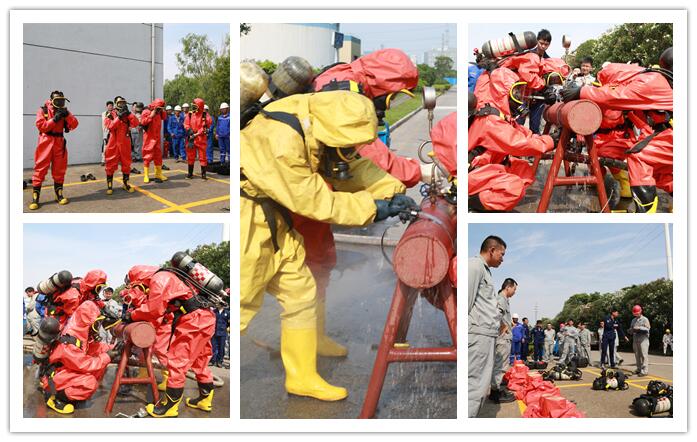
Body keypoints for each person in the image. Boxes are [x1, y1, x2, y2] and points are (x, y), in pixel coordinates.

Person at [241, 90, 416, 402]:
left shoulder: (320, 123)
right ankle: (201, 358)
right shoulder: (281, 141)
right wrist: (373, 207)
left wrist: (392, 191)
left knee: (300, 292)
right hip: (250, 224)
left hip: (274, 220)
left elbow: (349, 165)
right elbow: (313, 200)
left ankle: (301, 377)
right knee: (239, 303)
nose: (348, 151)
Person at [562, 47, 673, 213]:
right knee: (662, 173)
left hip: (653, 136)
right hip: (659, 135)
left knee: (640, 157)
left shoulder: (652, 81)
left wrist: (581, 91)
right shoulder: (663, 82)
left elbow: (613, 96)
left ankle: (645, 214)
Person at [123, 265, 216, 417]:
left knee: (177, 362)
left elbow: (153, 310)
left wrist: (131, 315)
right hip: (205, 317)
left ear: (139, 280)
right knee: (200, 361)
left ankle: (170, 408)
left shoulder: (159, 279)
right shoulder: (171, 275)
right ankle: (205, 400)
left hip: (194, 321)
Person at [468, 67, 555, 211]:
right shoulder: (490, 119)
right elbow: (518, 144)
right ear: (503, 93)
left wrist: (548, 138)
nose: (519, 97)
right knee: (513, 187)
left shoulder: (501, 115)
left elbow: (523, 134)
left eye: (520, 92)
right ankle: (470, 202)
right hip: (472, 171)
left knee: (524, 171)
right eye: (516, 92)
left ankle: (489, 201)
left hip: (487, 165)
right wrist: (550, 142)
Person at [41, 301, 121, 414]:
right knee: (89, 382)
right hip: (54, 379)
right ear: (87, 321)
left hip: (62, 373)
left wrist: (112, 348)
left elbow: (93, 348)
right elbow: (84, 364)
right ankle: (55, 397)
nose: (97, 327)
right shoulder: (70, 340)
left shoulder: (80, 332)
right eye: (96, 323)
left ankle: (69, 393)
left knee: (98, 368)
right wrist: (107, 356)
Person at [469, 235, 506, 417]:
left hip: (486, 334)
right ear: (492, 250)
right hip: (478, 334)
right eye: (502, 254)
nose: (502, 259)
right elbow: (466, 303)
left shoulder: (485, 271)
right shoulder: (474, 266)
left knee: (480, 386)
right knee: (474, 386)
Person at [29, 91, 79, 210]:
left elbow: (74, 124)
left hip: (59, 143)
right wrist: (54, 119)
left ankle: (59, 195)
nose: (59, 102)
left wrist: (67, 115)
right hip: (45, 141)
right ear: (51, 100)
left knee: (59, 169)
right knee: (40, 168)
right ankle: (35, 198)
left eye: (61, 100)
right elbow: (41, 126)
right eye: (57, 100)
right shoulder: (43, 110)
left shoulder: (64, 111)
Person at [489, 278, 517, 404]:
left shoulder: (504, 299)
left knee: (500, 365)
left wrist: (508, 323)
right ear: (508, 287)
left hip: (504, 337)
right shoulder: (501, 299)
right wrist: (503, 326)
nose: (514, 292)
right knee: (500, 366)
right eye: (514, 289)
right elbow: (496, 315)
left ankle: (496, 388)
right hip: (503, 338)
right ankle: (495, 393)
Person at [104, 96, 139, 194]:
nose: (122, 105)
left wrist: (129, 114)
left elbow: (136, 123)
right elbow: (110, 126)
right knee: (110, 163)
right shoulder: (110, 114)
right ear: (116, 104)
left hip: (125, 141)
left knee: (126, 163)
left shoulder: (128, 115)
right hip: (113, 142)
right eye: (120, 103)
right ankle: (109, 185)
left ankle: (126, 183)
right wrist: (119, 117)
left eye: (123, 103)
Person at [140, 98, 168, 184]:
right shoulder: (146, 112)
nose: (159, 110)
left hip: (157, 138)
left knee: (158, 156)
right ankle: (146, 175)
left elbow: (164, 117)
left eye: (161, 108)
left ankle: (158, 174)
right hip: (148, 138)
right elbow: (142, 122)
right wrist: (151, 116)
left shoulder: (159, 113)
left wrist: (162, 109)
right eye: (159, 108)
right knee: (147, 156)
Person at [184, 98, 213, 179]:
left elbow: (205, 127)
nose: (193, 108)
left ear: (199, 107)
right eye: (193, 106)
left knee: (202, 156)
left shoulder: (205, 115)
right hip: (191, 138)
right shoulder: (190, 114)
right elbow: (186, 123)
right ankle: (190, 174)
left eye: (195, 106)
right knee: (190, 156)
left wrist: (197, 134)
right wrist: (189, 130)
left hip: (201, 138)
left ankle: (203, 175)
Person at [629, 304, 651, 376]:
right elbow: (631, 328)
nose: (636, 314)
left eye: (637, 313)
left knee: (644, 355)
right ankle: (639, 368)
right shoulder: (633, 320)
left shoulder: (645, 319)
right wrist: (630, 330)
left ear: (640, 311)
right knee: (637, 355)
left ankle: (644, 371)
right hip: (635, 338)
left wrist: (639, 328)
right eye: (635, 313)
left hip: (643, 339)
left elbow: (648, 329)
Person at [101, 101, 114, 165]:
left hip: (113, 132)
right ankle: (103, 160)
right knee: (105, 146)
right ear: (107, 106)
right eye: (109, 106)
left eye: (111, 106)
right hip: (106, 132)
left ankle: (111, 160)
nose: (110, 107)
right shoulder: (104, 113)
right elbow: (105, 122)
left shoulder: (115, 113)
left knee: (113, 146)